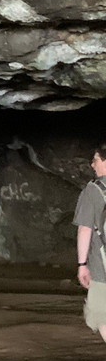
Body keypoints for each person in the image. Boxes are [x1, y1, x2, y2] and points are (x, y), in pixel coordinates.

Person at [74, 144, 106, 341]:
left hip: (102, 269)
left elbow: (85, 229)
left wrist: (82, 265)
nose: (92, 165)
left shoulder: (93, 190)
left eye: (95, 160)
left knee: (102, 315)